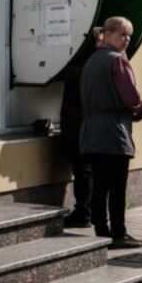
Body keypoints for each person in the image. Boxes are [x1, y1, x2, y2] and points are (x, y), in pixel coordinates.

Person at [80, 16, 142, 249]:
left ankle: (101, 231)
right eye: (122, 34)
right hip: (114, 132)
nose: (127, 39)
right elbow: (130, 96)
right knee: (117, 188)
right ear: (107, 34)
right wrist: (140, 108)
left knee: (99, 185)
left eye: (129, 35)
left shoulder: (91, 61)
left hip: (91, 131)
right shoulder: (117, 60)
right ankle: (118, 233)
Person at [60, 63, 94, 229]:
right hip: (87, 125)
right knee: (88, 170)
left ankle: (84, 211)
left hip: (78, 125)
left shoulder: (78, 68)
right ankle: (89, 210)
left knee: (83, 170)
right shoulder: (103, 62)